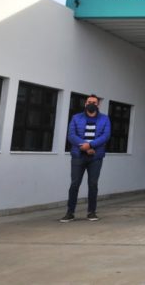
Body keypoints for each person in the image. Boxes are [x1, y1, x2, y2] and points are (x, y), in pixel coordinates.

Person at [61, 94, 111, 222]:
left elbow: (105, 136)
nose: (91, 104)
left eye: (94, 102)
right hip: (78, 156)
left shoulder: (105, 119)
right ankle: (70, 213)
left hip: (96, 157)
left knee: (93, 185)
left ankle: (91, 212)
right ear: (85, 103)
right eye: (89, 102)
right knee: (74, 184)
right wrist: (84, 146)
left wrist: (91, 145)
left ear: (98, 105)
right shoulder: (76, 118)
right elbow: (71, 135)